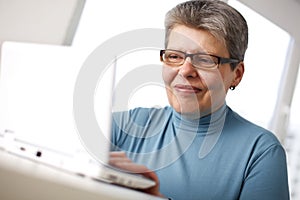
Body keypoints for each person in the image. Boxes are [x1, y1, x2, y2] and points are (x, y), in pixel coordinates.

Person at [109, 0, 290, 199]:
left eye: (205, 60)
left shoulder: (260, 153)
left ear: (236, 74)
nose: (185, 71)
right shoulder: (121, 127)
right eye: (175, 56)